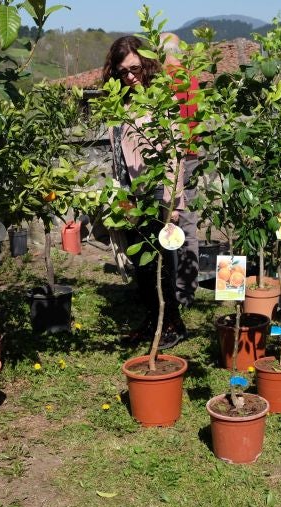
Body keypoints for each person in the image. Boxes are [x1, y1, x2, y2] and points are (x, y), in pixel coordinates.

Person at [103, 35, 186, 347]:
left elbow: (174, 153)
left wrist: (173, 204)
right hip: (131, 198)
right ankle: (153, 322)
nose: (129, 76)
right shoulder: (120, 104)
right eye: (122, 72)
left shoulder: (160, 100)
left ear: (147, 65)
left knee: (160, 266)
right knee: (142, 266)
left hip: (156, 196)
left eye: (135, 68)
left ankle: (173, 325)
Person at [160, 32, 200, 308]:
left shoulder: (166, 79)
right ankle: (186, 288)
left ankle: (179, 288)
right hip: (193, 151)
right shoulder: (190, 75)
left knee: (176, 219)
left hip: (176, 156)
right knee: (188, 219)